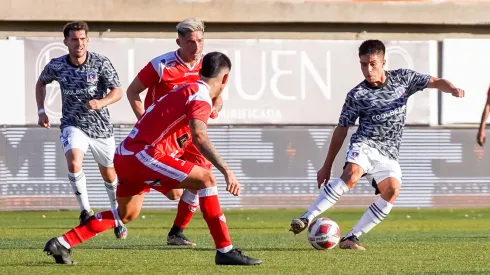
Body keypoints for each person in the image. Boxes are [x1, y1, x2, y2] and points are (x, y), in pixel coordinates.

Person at [43, 51, 262, 266]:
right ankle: (225, 250)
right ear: (225, 78)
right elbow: (199, 135)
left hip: (125, 155)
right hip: (143, 155)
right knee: (207, 179)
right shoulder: (200, 95)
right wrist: (226, 170)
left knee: (126, 214)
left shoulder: (187, 88)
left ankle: (62, 242)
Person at [289, 39, 465, 250]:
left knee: (392, 190)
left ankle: (351, 238)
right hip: (365, 143)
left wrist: (453, 88)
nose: (368, 69)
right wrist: (327, 165)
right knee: (351, 175)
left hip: (388, 152)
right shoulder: (357, 95)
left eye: (372, 63)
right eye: (363, 64)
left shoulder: (403, 79)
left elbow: (436, 82)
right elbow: (342, 129)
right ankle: (306, 218)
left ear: (383, 62)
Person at [127, 18, 222, 246]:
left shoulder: (206, 67)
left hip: (191, 137)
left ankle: (176, 233)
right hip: (161, 139)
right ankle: (136, 184)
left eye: (200, 41)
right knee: (172, 195)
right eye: (190, 42)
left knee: (202, 179)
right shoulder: (162, 65)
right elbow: (132, 92)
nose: (197, 47)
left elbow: (217, 97)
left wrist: (215, 109)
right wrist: (145, 122)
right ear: (178, 41)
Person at [35, 21, 127, 238]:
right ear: (66, 41)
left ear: (88, 40)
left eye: (83, 39)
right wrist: (41, 110)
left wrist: (101, 102)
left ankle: (117, 216)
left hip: (101, 128)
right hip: (73, 124)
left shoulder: (101, 63)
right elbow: (41, 83)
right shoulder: (57, 65)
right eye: (74, 39)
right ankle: (85, 211)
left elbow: (118, 91)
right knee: (74, 161)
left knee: (109, 173)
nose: (79, 43)